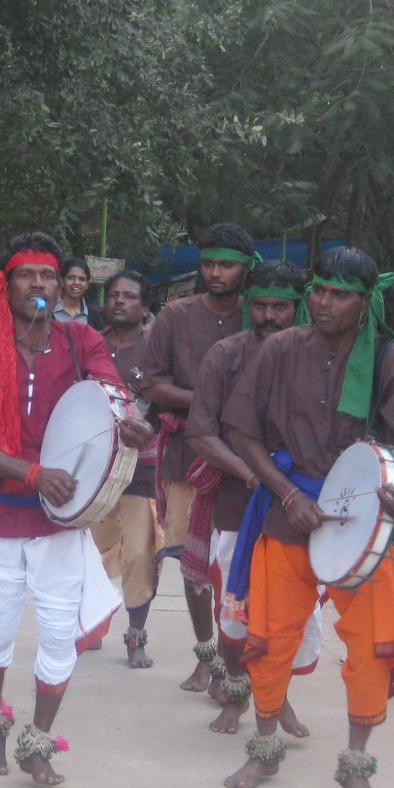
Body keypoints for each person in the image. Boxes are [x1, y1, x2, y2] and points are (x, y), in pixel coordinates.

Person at [221, 247, 394, 788]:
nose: (324, 302)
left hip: (362, 521)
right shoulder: (281, 348)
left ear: (366, 302)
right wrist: (287, 493)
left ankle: (357, 763)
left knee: (372, 646)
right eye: (318, 290)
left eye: (340, 295)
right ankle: (264, 748)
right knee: (270, 639)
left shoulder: (389, 358)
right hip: (288, 510)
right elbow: (241, 430)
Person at [0, 233, 150, 787]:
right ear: (4, 286)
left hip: (59, 521)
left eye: (49, 276)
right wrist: (31, 473)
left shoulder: (82, 340)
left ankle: (37, 741)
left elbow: (111, 397)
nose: (39, 284)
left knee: (58, 636)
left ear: (62, 287)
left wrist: (131, 422)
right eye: (26, 275)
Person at [185, 257, 316, 736]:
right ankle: (236, 697)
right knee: (235, 608)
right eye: (260, 305)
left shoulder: (319, 357)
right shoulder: (225, 355)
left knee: (292, 612)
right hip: (237, 503)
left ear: (298, 307)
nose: (268, 316)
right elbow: (202, 432)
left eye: (280, 307)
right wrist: (253, 474)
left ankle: (276, 698)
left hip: (299, 506)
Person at [141, 223, 259, 693]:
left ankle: (238, 661)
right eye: (208, 263)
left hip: (248, 459)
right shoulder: (176, 315)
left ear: (245, 269)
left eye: (226, 265)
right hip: (187, 454)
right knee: (193, 563)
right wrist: (212, 402)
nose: (215, 273)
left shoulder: (262, 314)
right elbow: (154, 385)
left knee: (237, 563)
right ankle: (206, 654)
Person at [89, 270, 161, 667]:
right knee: (93, 553)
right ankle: (92, 626)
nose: (119, 301)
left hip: (143, 468)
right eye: (114, 294)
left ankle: (136, 638)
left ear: (144, 306)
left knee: (138, 554)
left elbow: (168, 403)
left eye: (130, 296)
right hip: (96, 469)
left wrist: (148, 426)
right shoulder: (90, 345)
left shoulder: (157, 350)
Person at [56, 257, 93, 325]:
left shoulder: (92, 314)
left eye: (82, 279)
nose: (76, 283)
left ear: (87, 284)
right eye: (71, 278)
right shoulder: (48, 310)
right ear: (62, 281)